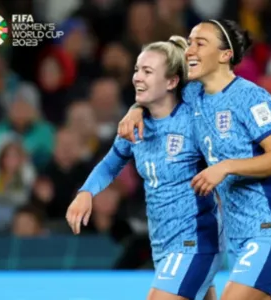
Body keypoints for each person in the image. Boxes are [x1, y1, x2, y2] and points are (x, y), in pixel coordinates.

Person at [118, 20, 271, 300]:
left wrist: (225, 167)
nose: (190, 50)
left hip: (270, 230)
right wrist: (137, 108)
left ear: (225, 55)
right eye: (190, 42)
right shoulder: (194, 95)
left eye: (201, 43)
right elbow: (157, 92)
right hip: (242, 236)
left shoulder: (250, 97)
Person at [65, 36, 221, 300]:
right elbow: (110, 164)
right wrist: (86, 192)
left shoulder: (195, 121)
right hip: (162, 246)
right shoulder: (134, 126)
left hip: (194, 242)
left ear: (171, 81)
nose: (137, 77)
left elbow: (235, 174)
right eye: (137, 69)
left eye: (148, 71)